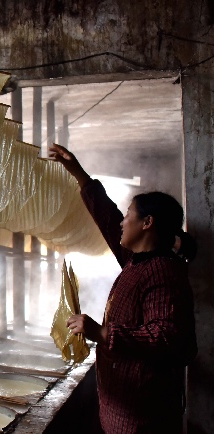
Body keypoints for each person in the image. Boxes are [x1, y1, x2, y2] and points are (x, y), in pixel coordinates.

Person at [49, 143, 197, 434]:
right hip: (119, 409)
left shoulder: (162, 272)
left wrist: (102, 332)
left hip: (142, 418)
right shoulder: (137, 262)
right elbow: (108, 218)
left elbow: (169, 338)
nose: (122, 222)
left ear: (147, 223)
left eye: (129, 214)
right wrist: (79, 174)